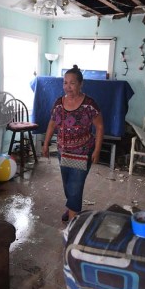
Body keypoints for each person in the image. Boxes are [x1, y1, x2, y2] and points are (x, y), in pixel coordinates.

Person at [42, 65, 104, 222]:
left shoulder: (89, 104)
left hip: (82, 152)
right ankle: (72, 208)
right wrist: (46, 143)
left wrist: (97, 150)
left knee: (75, 186)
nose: (67, 87)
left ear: (81, 84)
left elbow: (99, 126)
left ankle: (72, 221)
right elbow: (52, 123)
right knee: (67, 185)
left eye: (72, 83)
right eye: (65, 83)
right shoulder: (58, 103)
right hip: (63, 151)